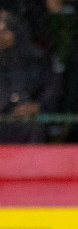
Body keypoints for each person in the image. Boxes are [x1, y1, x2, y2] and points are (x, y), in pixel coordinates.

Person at [0, 9, 57, 143]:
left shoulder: (36, 57)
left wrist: (38, 106)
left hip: (26, 117)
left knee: (33, 128)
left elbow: (52, 87)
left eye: (4, 32)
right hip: (3, 115)